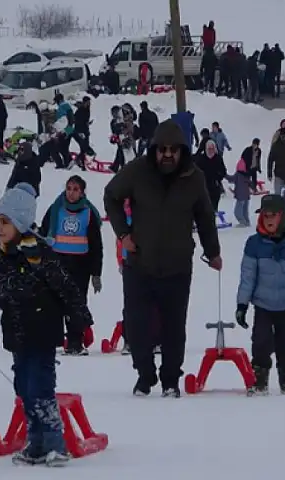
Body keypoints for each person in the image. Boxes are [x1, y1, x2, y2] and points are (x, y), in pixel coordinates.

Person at [0, 183, 93, 467]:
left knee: (41, 387)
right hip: (16, 332)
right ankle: (35, 444)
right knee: (23, 388)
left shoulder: (39, 252)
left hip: (44, 331)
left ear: (21, 222)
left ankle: (56, 444)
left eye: (5, 222)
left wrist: (83, 322)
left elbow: (66, 288)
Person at [103, 119, 222, 397]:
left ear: (181, 151)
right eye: (162, 149)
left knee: (173, 327)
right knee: (137, 325)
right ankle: (145, 376)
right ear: (154, 149)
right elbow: (111, 196)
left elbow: (205, 217)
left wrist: (213, 251)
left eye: (173, 150)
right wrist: (123, 234)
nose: (167, 155)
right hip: (139, 263)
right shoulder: (137, 172)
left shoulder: (193, 177)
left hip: (177, 265)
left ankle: (170, 380)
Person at [235, 194, 285, 395]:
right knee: (260, 341)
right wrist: (242, 305)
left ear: (284, 216)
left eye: (273, 215)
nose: (269, 219)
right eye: (265, 215)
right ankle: (260, 378)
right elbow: (247, 277)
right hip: (262, 304)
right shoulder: (254, 244)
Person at [39, 175, 103, 355]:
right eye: (69, 188)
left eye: (75, 189)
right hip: (57, 263)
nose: (71, 193)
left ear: (82, 192)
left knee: (76, 303)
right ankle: (54, 340)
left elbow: (96, 245)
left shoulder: (89, 213)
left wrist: (96, 273)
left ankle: (75, 341)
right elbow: (44, 235)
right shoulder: (55, 209)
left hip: (80, 266)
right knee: (53, 303)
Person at [195, 140, 228, 212]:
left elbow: (223, 171)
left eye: (212, 149)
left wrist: (218, 177)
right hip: (203, 186)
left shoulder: (218, 158)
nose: (211, 151)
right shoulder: (201, 158)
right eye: (209, 149)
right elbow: (196, 171)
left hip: (215, 186)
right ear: (206, 149)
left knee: (213, 207)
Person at [228, 154, 253, 227]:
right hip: (246, 196)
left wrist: (224, 175)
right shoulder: (247, 175)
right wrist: (253, 187)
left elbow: (231, 179)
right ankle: (247, 222)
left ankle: (242, 222)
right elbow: (251, 183)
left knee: (237, 211)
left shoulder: (238, 174)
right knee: (245, 210)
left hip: (240, 196)